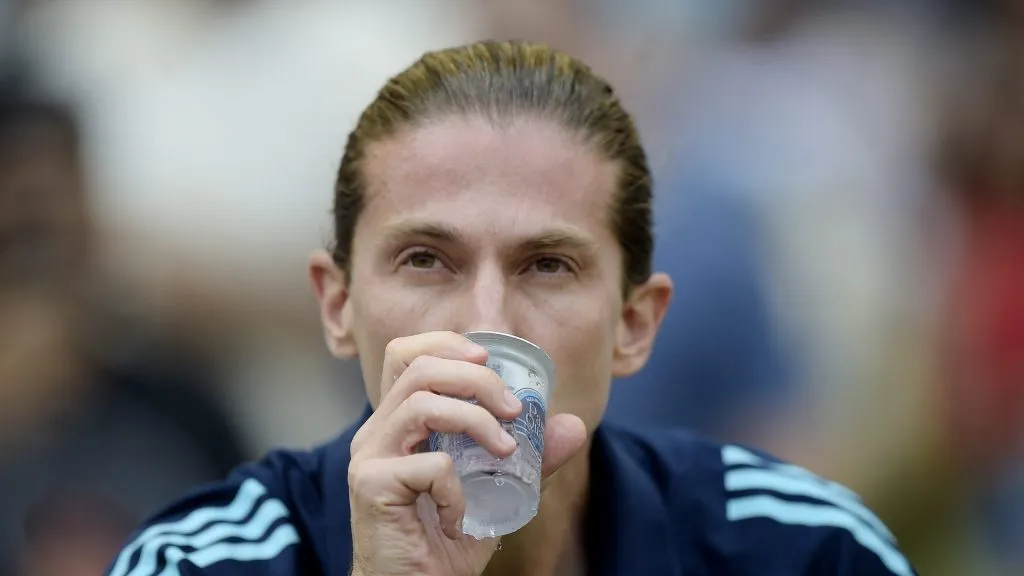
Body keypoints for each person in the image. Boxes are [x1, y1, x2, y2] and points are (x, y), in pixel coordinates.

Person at [106, 41, 918, 576]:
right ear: (339, 304)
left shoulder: (803, 550)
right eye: (426, 259)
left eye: (548, 264)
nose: (485, 320)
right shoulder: (199, 562)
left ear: (635, 323)